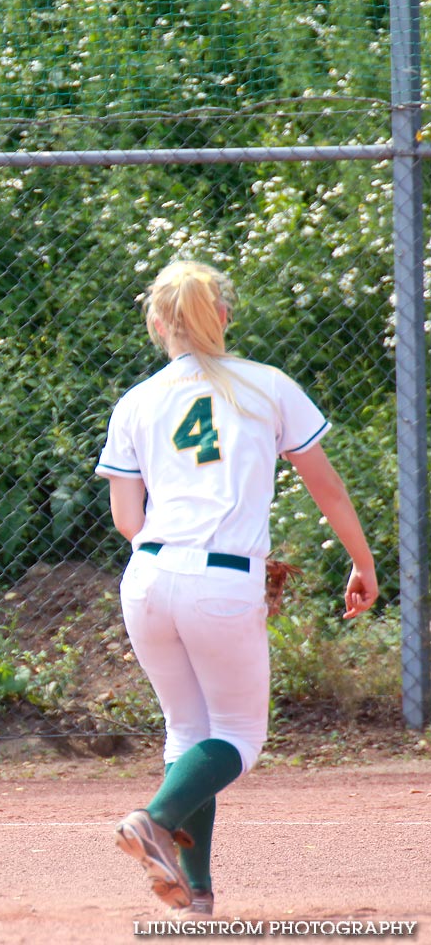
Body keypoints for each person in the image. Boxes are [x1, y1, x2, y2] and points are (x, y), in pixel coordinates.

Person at [95, 260, 377, 916]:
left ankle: (195, 892)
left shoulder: (137, 401)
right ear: (222, 315)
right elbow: (325, 487)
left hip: (148, 576)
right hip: (221, 577)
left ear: (158, 323)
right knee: (241, 738)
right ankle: (153, 820)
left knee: (188, 733)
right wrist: (361, 562)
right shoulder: (266, 386)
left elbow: (126, 521)